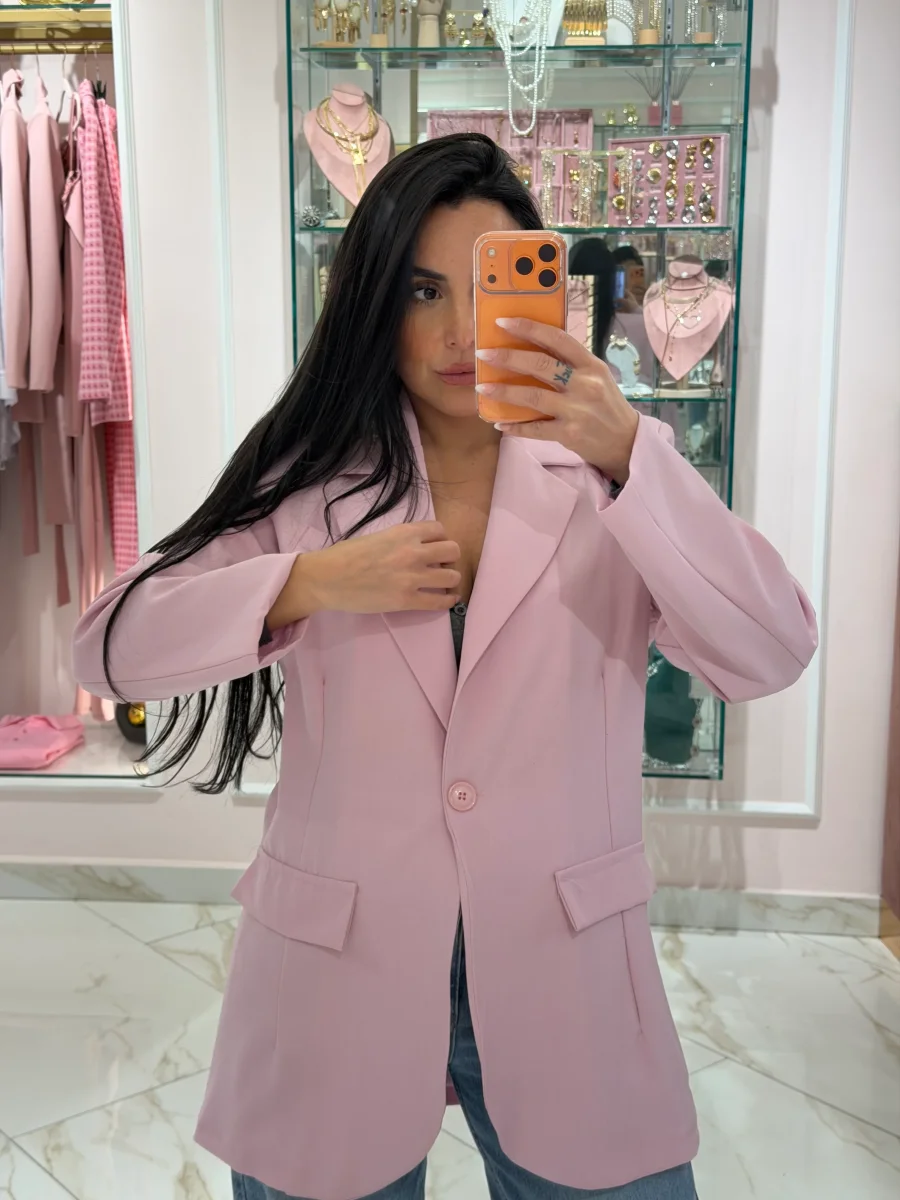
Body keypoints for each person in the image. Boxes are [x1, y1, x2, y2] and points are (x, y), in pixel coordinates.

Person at [72, 134, 817, 1200]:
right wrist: (307, 584)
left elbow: (772, 649)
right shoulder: (308, 481)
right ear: (373, 302)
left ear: (545, 295)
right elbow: (108, 648)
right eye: (424, 291)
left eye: (492, 286)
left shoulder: (609, 474)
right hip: (341, 967)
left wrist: (631, 456)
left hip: (566, 967)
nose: (464, 333)